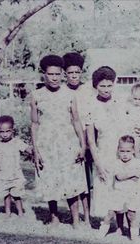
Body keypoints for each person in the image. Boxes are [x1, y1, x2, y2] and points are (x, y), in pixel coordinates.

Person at [30, 55, 87, 228]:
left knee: (71, 181)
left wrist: (83, 145)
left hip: (68, 144)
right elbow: (34, 123)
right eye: (50, 74)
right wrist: (36, 149)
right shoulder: (36, 95)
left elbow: (76, 121)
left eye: (57, 74)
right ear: (44, 75)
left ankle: (76, 219)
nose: (54, 78)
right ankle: (54, 217)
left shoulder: (70, 94)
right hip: (46, 146)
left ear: (62, 74)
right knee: (50, 180)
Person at [85, 66, 124, 227]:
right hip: (103, 153)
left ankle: (122, 226)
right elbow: (91, 141)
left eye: (109, 85)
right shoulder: (91, 106)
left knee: (122, 187)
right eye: (102, 86)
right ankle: (106, 224)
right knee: (105, 187)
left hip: (122, 152)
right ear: (95, 86)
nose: (106, 89)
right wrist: (98, 164)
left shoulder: (120, 103)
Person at [62, 52, 92, 227]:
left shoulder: (87, 90)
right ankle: (74, 216)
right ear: (65, 73)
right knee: (70, 179)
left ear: (81, 72)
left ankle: (87, 217)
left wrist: (87, 142)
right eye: (70, 73)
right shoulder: (62, 91)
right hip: (69, 140)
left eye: (77, 73)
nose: (74, 76)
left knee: (86, 180)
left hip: (87, 139)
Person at [97, 136, 140, 241]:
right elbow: (119, 176)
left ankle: (134, 236)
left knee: (132, 215)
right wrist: (132, 174)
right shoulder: (117, 162)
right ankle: (102, 231)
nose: (125, 154)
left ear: (133, 151)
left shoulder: (136, 162)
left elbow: (138, 176)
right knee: (111, 213)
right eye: (122, 151)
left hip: (132, 193)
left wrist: (129, 175)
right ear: (118, 150)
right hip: (118, 192)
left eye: (128, 151)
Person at [0, 115, 32, 217]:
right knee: (6, 196)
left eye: (7, 131)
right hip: (3, 176)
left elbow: (27, 149)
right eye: (2, 132)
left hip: (15, 175)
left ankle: (20, 212)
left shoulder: (16, 142)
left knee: (17, 195)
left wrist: (34, 150)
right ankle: (7, 212)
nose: (5, 134)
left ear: (12, 130)